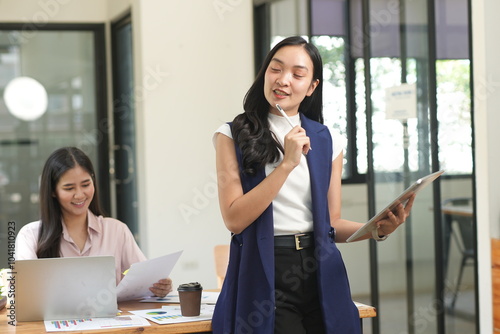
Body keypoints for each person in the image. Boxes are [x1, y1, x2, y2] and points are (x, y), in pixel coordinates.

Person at [212, 36, 415, 333]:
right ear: (264, 73)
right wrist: (287, 164)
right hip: (267, 268)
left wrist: (377, 229)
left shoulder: (327, 139)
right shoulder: (231, 135)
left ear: (312, 87)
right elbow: (234, 219)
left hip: (322, 268)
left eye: (297, 74)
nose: (283, 80)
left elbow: (331, 224)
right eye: (276, 69)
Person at [15, 146, 172, 298]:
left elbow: (145, 281)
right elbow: (24, 295)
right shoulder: (30, 235)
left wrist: (159, 287)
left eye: (86, 184)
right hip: (55, 323)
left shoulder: (117, 230)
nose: (79, 195)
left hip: (112, 323)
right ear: (52, 192)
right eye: (69, 188)